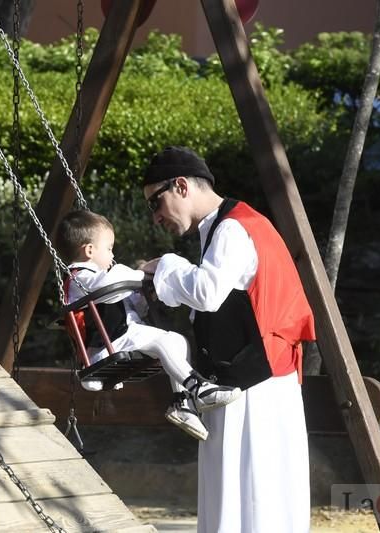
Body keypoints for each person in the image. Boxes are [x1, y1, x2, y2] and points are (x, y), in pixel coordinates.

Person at [141, 146, 316, 532]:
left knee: (249, 498)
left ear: (181, 186)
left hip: (254, 387)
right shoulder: (232, 224)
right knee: (256, 497)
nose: (156, 217)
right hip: (257, 380)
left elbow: (208, 292)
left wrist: (164, 266)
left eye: (156, 202)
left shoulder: (234, 228)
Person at [55, 209, 242, 441]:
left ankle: (181, 403)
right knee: (161, 340)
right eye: (109, 248)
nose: (112, 256)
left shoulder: (97, 277)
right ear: (90, 251)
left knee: (176, 340)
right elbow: (112, 285)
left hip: (123, 335)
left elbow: (127, 303)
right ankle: (198, 388)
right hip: (107, 343)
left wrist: (142, 296)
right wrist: (140, 274)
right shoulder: (79, 277)